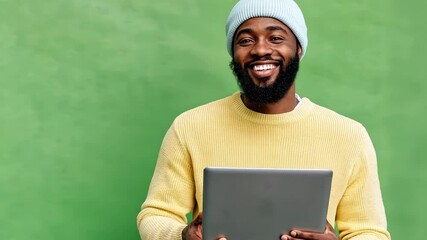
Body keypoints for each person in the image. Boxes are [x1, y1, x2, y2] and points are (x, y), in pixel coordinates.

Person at [137, 0, 392, 239]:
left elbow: (371, 232)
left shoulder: (349, 136)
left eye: (276, 37)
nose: (260, 49)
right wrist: (182, 235)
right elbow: (155, 215)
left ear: (298, 47)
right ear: (234, 53)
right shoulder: (190, 127)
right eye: (246, 40)